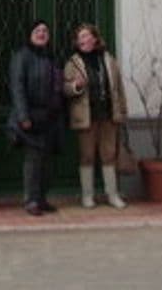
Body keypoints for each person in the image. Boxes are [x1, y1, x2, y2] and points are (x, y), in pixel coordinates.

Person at [64, 22, 128, 209]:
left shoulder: (108, 60)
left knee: (109, 155)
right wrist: (76, 86)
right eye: (80, 37)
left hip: (108, 115)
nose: (83, 40)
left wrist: (122, 111)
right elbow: (65, 89)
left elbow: (119, 88)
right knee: (87, 156)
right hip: (85, 117)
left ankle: (112, 195)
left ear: (94, 38)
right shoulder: (73, 62)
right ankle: (87, 196)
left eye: (86, 36)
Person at [6, 20, 63, 216]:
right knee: (33, 161)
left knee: (47, 162)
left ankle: (42, 198)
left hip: (51, 118)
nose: (41, 33)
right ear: (30, 34)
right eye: (37, 30)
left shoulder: (51, 57)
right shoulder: (22, 56)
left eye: (45, 30)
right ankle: (31, 200)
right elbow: (17, 87)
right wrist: (23, 115)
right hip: (31, 116)